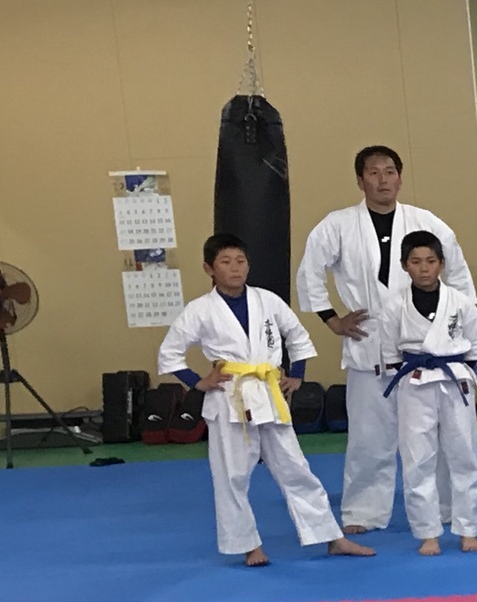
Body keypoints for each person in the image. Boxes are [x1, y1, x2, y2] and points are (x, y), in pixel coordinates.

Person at [157, 233, 374, 568]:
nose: (235, 268)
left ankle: (332, 537)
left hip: (269, 395)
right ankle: (248, 546)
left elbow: (297, 335)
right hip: (229, 398)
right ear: (209, 269)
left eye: (240, 261)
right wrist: (199, 382)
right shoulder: (199, 310)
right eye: (225, 262)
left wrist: (297, 374)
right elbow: (170, 354)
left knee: (297, 469)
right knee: (232, 476)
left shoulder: (267, 300)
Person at [297, 145, 475, 536]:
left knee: (435, 435)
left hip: (425, 347)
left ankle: (443, 508)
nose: (383, 180)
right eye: (374, 172)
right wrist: (331, 319)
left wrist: (454, 331)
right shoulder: (338, 225)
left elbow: (459, 276)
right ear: (360, 180)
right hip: (369, 340)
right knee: (368, 436)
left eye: (390, 171)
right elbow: (310, 272)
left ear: (400, 177)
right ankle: (364, 510)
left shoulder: (426, 221)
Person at [385, 232, 477, 556]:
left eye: (430, 261)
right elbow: (389, 354)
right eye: (415, 262)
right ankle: (428, 532)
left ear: (441, 263)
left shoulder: (461, 302)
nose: (424, 268)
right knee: (417, 459)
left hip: (455, 380)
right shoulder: (394, 305)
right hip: (414, 382)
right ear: (404, 266)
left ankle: (468, 529)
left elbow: (475, 350)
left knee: (464, 454)